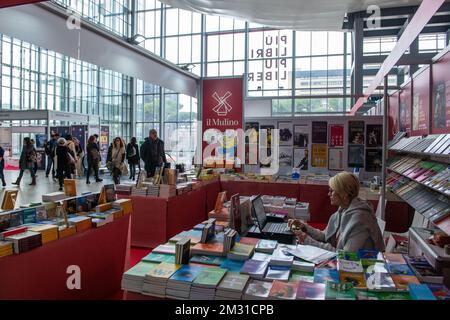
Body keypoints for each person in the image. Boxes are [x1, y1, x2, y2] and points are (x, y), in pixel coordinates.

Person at [288, 172, 385, 252]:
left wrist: (309, 241)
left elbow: (345, 255)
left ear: (344, 194)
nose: (328, 193)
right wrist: (304, 227)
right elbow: (326, 236)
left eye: (332, 191)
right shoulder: (343, 210)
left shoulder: (360, 220)